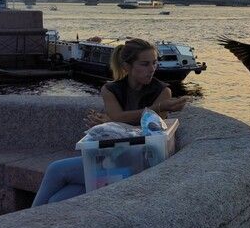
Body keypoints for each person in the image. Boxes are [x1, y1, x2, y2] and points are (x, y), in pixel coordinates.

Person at [32, 38, 189, 206]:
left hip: (141, 163)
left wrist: (111, 124)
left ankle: (25, 222)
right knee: (57, 199)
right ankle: (31, 223)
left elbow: (146, 130)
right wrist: (155, 108)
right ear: (127, 66)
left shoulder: (163, 91)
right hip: (113, 159)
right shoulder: (110, 89)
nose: (152, 69)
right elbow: (118, 118)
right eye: (145, 64)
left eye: (154, 63)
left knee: (56, 169)